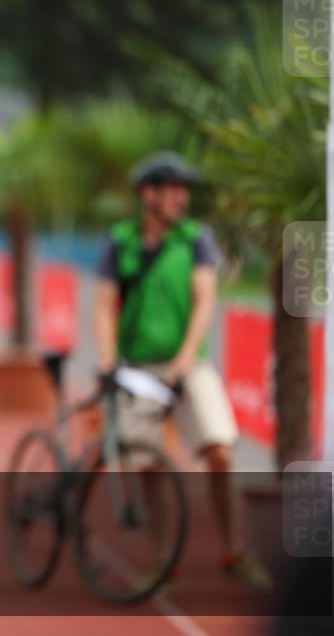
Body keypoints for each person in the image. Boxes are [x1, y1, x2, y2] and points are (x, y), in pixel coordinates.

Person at [93, 151, 270, 589]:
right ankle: (163, 562)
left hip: (188, 365)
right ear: (147, 194)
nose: (181, 198)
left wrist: (185, 359)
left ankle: (236, 552)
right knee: (148, 464)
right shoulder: (122, 241)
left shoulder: (196, 239)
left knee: (221, 450)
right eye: (172, 189)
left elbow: (205, 300)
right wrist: (108, 356)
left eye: (184, 190)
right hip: (138, 369)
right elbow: (102, 306)